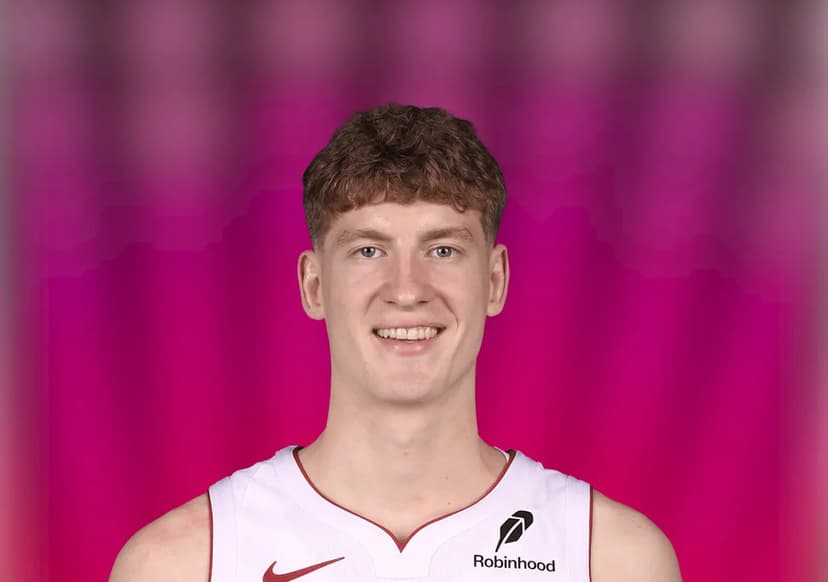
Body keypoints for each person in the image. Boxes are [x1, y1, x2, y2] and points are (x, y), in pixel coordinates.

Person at [110, 104, 682, 581]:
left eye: (443, 250)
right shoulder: (181, 564)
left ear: (495, 280)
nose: (407, 290)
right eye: (368, 250)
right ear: (313, 285)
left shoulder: (612, 559)